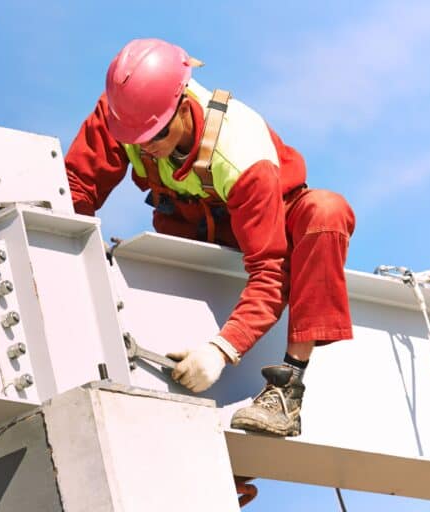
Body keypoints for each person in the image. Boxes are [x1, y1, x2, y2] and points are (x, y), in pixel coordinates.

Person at [64, 38, 356, 437]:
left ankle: (287, 389)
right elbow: (76, 188)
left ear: (184, 108)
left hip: (267, 231)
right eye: (135, 138)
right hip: (194, 238)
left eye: (155, 137)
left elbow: (271, 273)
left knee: (325, 211)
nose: (144, 147)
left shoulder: (242, 152)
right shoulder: (126, 115)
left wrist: (222, 349)